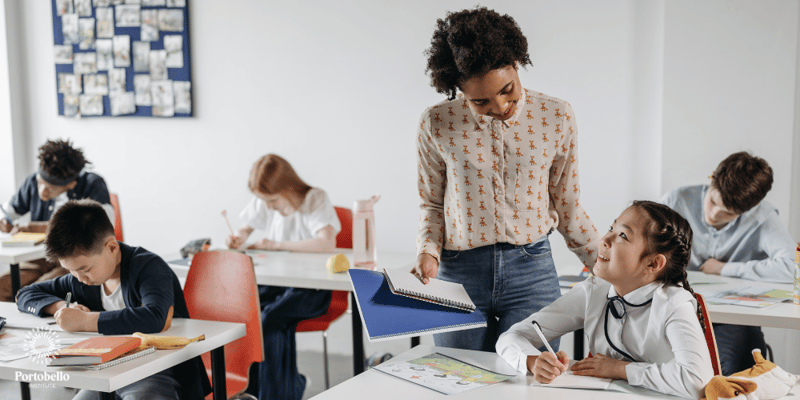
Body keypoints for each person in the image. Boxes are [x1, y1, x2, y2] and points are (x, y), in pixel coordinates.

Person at [413, 6, 599, 352]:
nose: (500, 106)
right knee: (462, 380)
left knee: (529, 382)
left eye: (507, 90)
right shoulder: (437, 122)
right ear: (458, 89)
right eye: (481, 100)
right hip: (458, 274)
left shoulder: (555, 116)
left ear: (516, 64)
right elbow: (432, 202)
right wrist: (428, 252)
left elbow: (567, 204)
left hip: (532, 271)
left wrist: (604, 264)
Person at [496, 201, 714, 399]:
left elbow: (697, 381)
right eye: (612, 228)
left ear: (653, 264)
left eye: (623, 236)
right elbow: (512, 336)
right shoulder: (593, 291)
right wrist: (532, 361)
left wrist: (619, 369)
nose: (605, 240)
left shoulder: (673, 304)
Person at [15, 199, 209, 400]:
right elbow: (25, 295)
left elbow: (155, 317)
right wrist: (61, 307)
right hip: (106, 372)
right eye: (72, 271)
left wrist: (85, 321)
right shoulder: (81, 280)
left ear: (111, 248)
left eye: (84, 269)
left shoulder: (149, 267)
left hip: (157, 371)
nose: (79, 278)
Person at [660, 151, 795, 375]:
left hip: (731, 320)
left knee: (730, 366)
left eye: (728, 214)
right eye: (712, 201)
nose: (713, 215)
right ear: (712, 178)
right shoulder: (676, 200)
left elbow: (792, 267)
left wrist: (725, 268)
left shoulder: (762, 217)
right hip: (675, 310)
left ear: (749, 210)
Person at [226, 154, 340, 400]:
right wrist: (239, 237)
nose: (268, 206)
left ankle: (274, 392)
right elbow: (245, 228)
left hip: (312, 290)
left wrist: (275, 245)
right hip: (277, 284)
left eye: (272, 200)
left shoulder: (315, 199)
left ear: (287, 187)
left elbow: (326, 243)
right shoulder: (267, 200)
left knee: (269, 320)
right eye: (263, 201)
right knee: (248, 314)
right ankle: (278, 389)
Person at [0, 139, 113, 302]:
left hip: (73, 260)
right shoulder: (31, 182)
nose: (43, 192)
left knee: (34, 293)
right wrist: (4, 220)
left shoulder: (92, 184)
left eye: (51, 188)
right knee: (3, 286)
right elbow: (7, 210)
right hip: (38, 258)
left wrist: (34, 228)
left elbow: (104, 226)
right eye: (40, 183)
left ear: (71, 184)